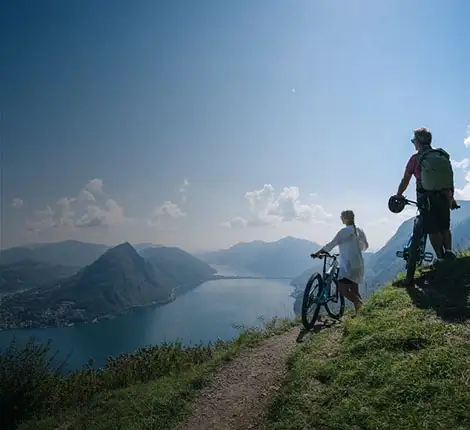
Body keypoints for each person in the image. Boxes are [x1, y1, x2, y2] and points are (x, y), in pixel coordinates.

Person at [393, 127, 456, 264]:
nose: (413, 143)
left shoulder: (416, 159)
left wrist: (399, 194)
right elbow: (447, 177)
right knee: (444, 226)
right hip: (445, 194)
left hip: (426, 197)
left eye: (413, 140)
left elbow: (406, 179)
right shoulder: (440, 155)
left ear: (418, 142)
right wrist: (451, 196)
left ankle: (440, 257)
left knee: (432, 228)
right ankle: (449, 252)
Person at [311, 210, 368, 314]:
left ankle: (359, 303)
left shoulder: (344, 231)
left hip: (348, 266)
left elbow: (331, 245)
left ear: (345, 218)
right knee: (354, 290)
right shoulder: (359, 230)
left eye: (341, 217)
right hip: (359, 264)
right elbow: (365, 246)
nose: (341, 219)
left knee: (342, 289)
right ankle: (361, 314)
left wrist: (318, 253)